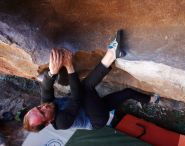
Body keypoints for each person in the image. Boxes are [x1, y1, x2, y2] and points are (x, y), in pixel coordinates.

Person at [23, 31, 151, 132]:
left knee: (127, 93)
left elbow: (46, 88)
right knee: (85, 87)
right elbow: (76, 97)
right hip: (96, 118)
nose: (43, 106)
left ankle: (152, 99)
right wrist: (69, 66)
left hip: (88, 105)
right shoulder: (61, 122)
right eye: (42, 112)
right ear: (47, 123)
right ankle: (112, 54)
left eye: (38, 107)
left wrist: (52, 72)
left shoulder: (45, 106)